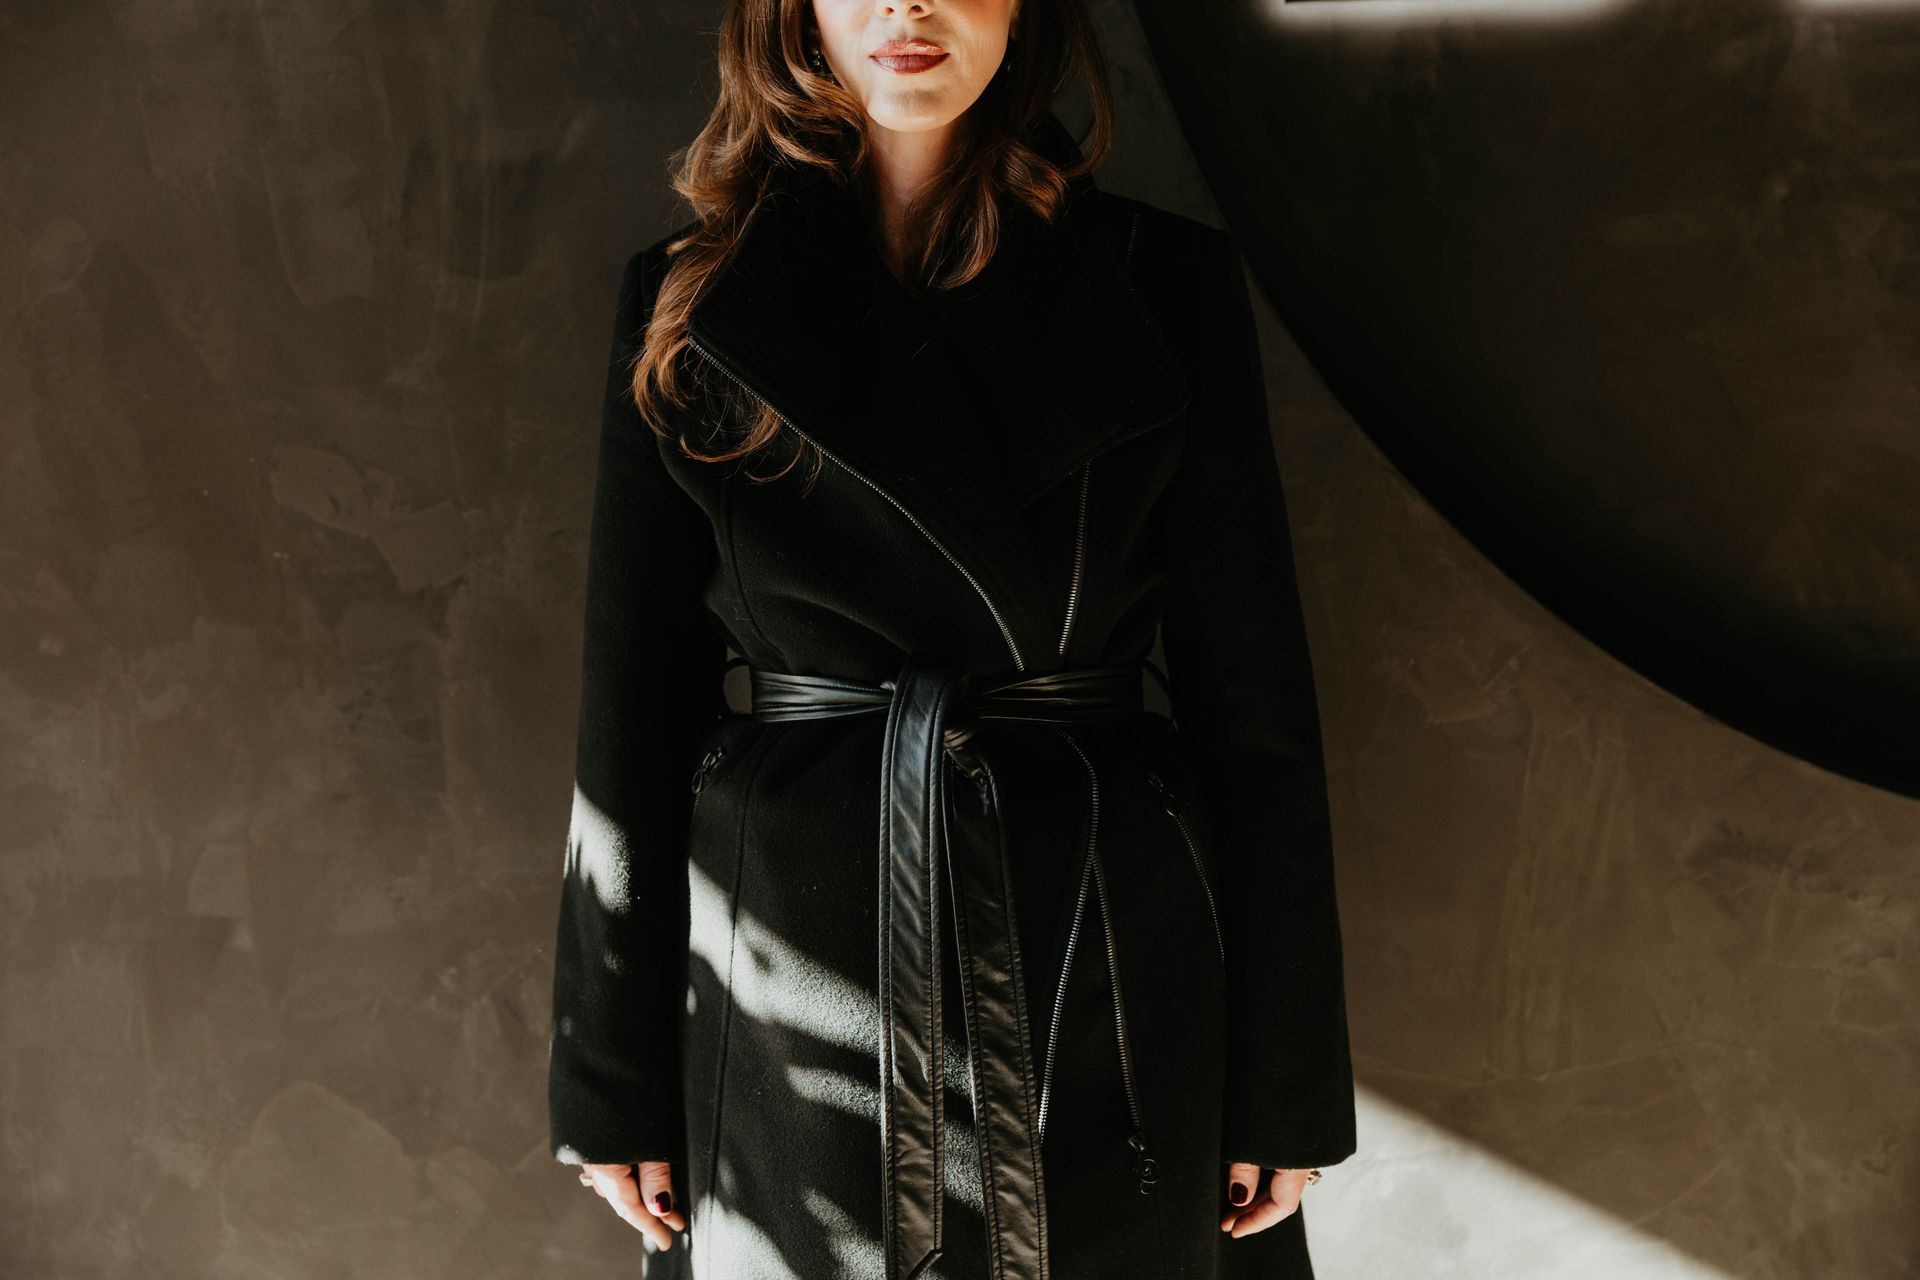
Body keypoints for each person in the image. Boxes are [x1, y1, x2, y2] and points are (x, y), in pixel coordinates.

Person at [545, 0, 1357, 1275]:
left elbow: (1256, 713)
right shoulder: (690, 299)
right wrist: (609, 1078)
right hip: (788, 971)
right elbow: (631, 714)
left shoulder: (1163, 285)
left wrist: (1292, 1081)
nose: (905, 5)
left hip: (1108, 958)